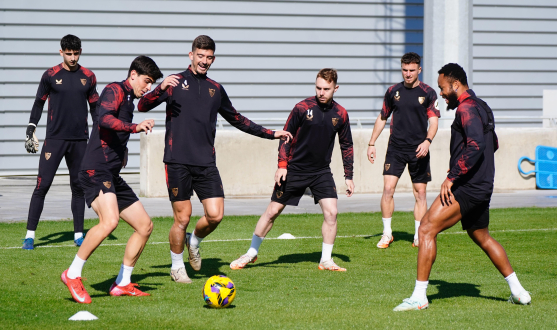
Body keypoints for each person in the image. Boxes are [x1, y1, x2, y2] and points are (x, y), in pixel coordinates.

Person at [138, 35, 292, 284]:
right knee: (183, 217)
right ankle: (177, 267)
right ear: (191, 55)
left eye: (209, 57)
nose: (204, 61)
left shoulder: (216, 89)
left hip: (206, 162)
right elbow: (142, 106)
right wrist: (160, 88)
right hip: (177, 161)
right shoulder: (174, 82)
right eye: (200, 56)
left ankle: (193, 241)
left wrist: (271, 133)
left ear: (213, 59)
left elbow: (238, 119)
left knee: (215, 215)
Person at [393, 63, 531, 311]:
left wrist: (453, 176)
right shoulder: (483, 106)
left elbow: (476, 145)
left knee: (425, 229)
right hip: (482, 186)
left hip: (467, 187)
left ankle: (419, 297)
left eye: (443, 88)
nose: (442, 94)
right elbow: (493, 144)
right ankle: (519, 291)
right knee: (482, 236)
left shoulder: (466, 109)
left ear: (455, 85)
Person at [230, 68, 354, 272]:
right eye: (318, 88)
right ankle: (251, 253)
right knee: (272, 211)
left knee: (332, 213)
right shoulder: (302, 108)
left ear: (336, 88)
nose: (321, 92)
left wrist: (348, 176)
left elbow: (346, 145)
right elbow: (285, 137)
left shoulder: (341, 114)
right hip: (294, 169)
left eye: (326, 89)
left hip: (321, 172)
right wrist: (282, 166)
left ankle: (326, 260)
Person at [61, 56, 163, 304]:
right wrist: (134, 128)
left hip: (111, 173)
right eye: (147, 81)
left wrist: (123, 149)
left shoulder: (130, 98)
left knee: (145, 226)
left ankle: (122, 283)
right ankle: (72, 274)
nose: (147, 87)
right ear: (133, 75)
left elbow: (119, 125)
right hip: (95, 170)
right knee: (110, 221)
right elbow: (104, 118)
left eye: (151, 83)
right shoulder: (115, 89)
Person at [22, 34, 99, 250]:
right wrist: (31, 128)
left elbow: (95, 108)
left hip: (80, 141)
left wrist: (100, 135)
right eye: (68, 53)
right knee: (42, 185)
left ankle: (78, 235)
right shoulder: (50, 75)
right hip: (54, 140)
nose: (72, 58)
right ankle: (29, 236)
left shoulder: (89, 76)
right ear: (61, 52)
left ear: (80, 52)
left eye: (76, 53)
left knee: (78, 188)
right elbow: (38, 103)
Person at [367, 52, 440, 248]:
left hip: (419, 149)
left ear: (419, 70)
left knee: (420, 194)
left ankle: (418, 235)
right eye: (404, 70)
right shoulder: (393, 91)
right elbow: (382, 118)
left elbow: (434, 121)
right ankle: (387, 233)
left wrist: (427, 141)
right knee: (388, 189)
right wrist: (371, 143)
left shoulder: (429, 93)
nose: (407, 74)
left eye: (411, 70)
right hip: (396, 149)